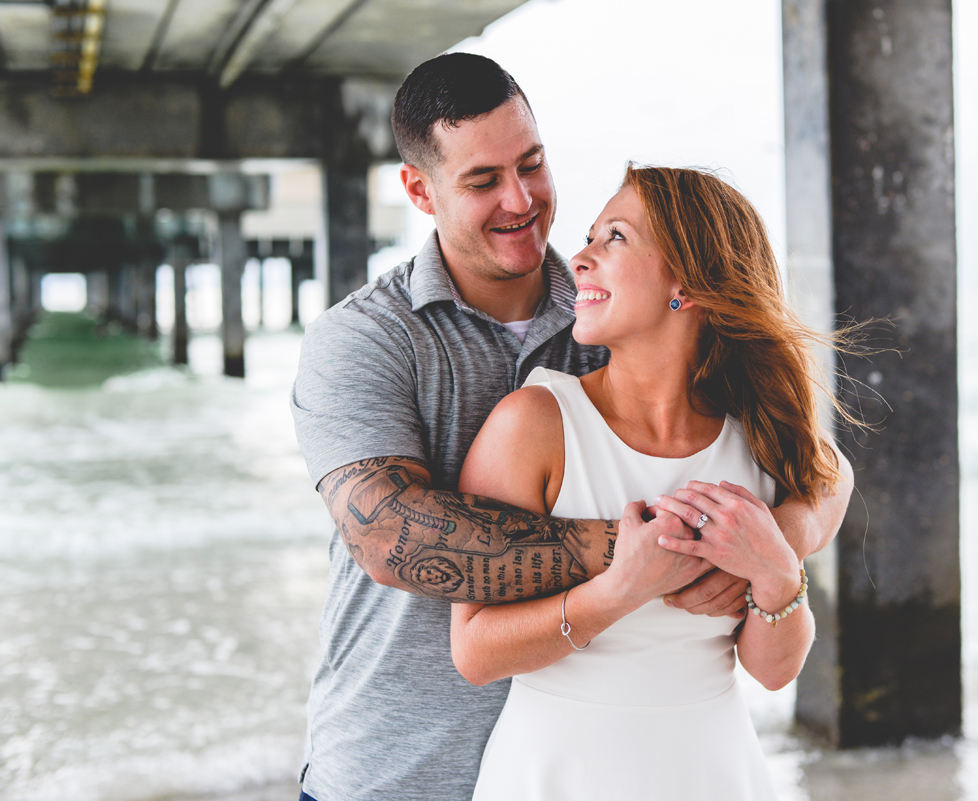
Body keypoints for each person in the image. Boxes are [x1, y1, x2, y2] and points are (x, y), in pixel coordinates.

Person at [291, 53, 852, 801]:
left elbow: (825, 468)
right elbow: (390, 532)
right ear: (419, 191)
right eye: (483, 180)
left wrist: (768, 544)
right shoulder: (365, 338)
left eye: (531, 164)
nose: (521, 199)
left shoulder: (612, 318)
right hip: (399, 768)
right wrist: (667, 545)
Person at [453, 165, 846, 800]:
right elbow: (474, 650)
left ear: (685, 284)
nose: (578, 260)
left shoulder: (758, 442)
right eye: (588, 239)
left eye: (614, 239)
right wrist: (620, 591)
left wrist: (777, 570)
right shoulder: (535, 424)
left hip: (713, 773)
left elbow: (773, 674)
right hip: (554, 775)